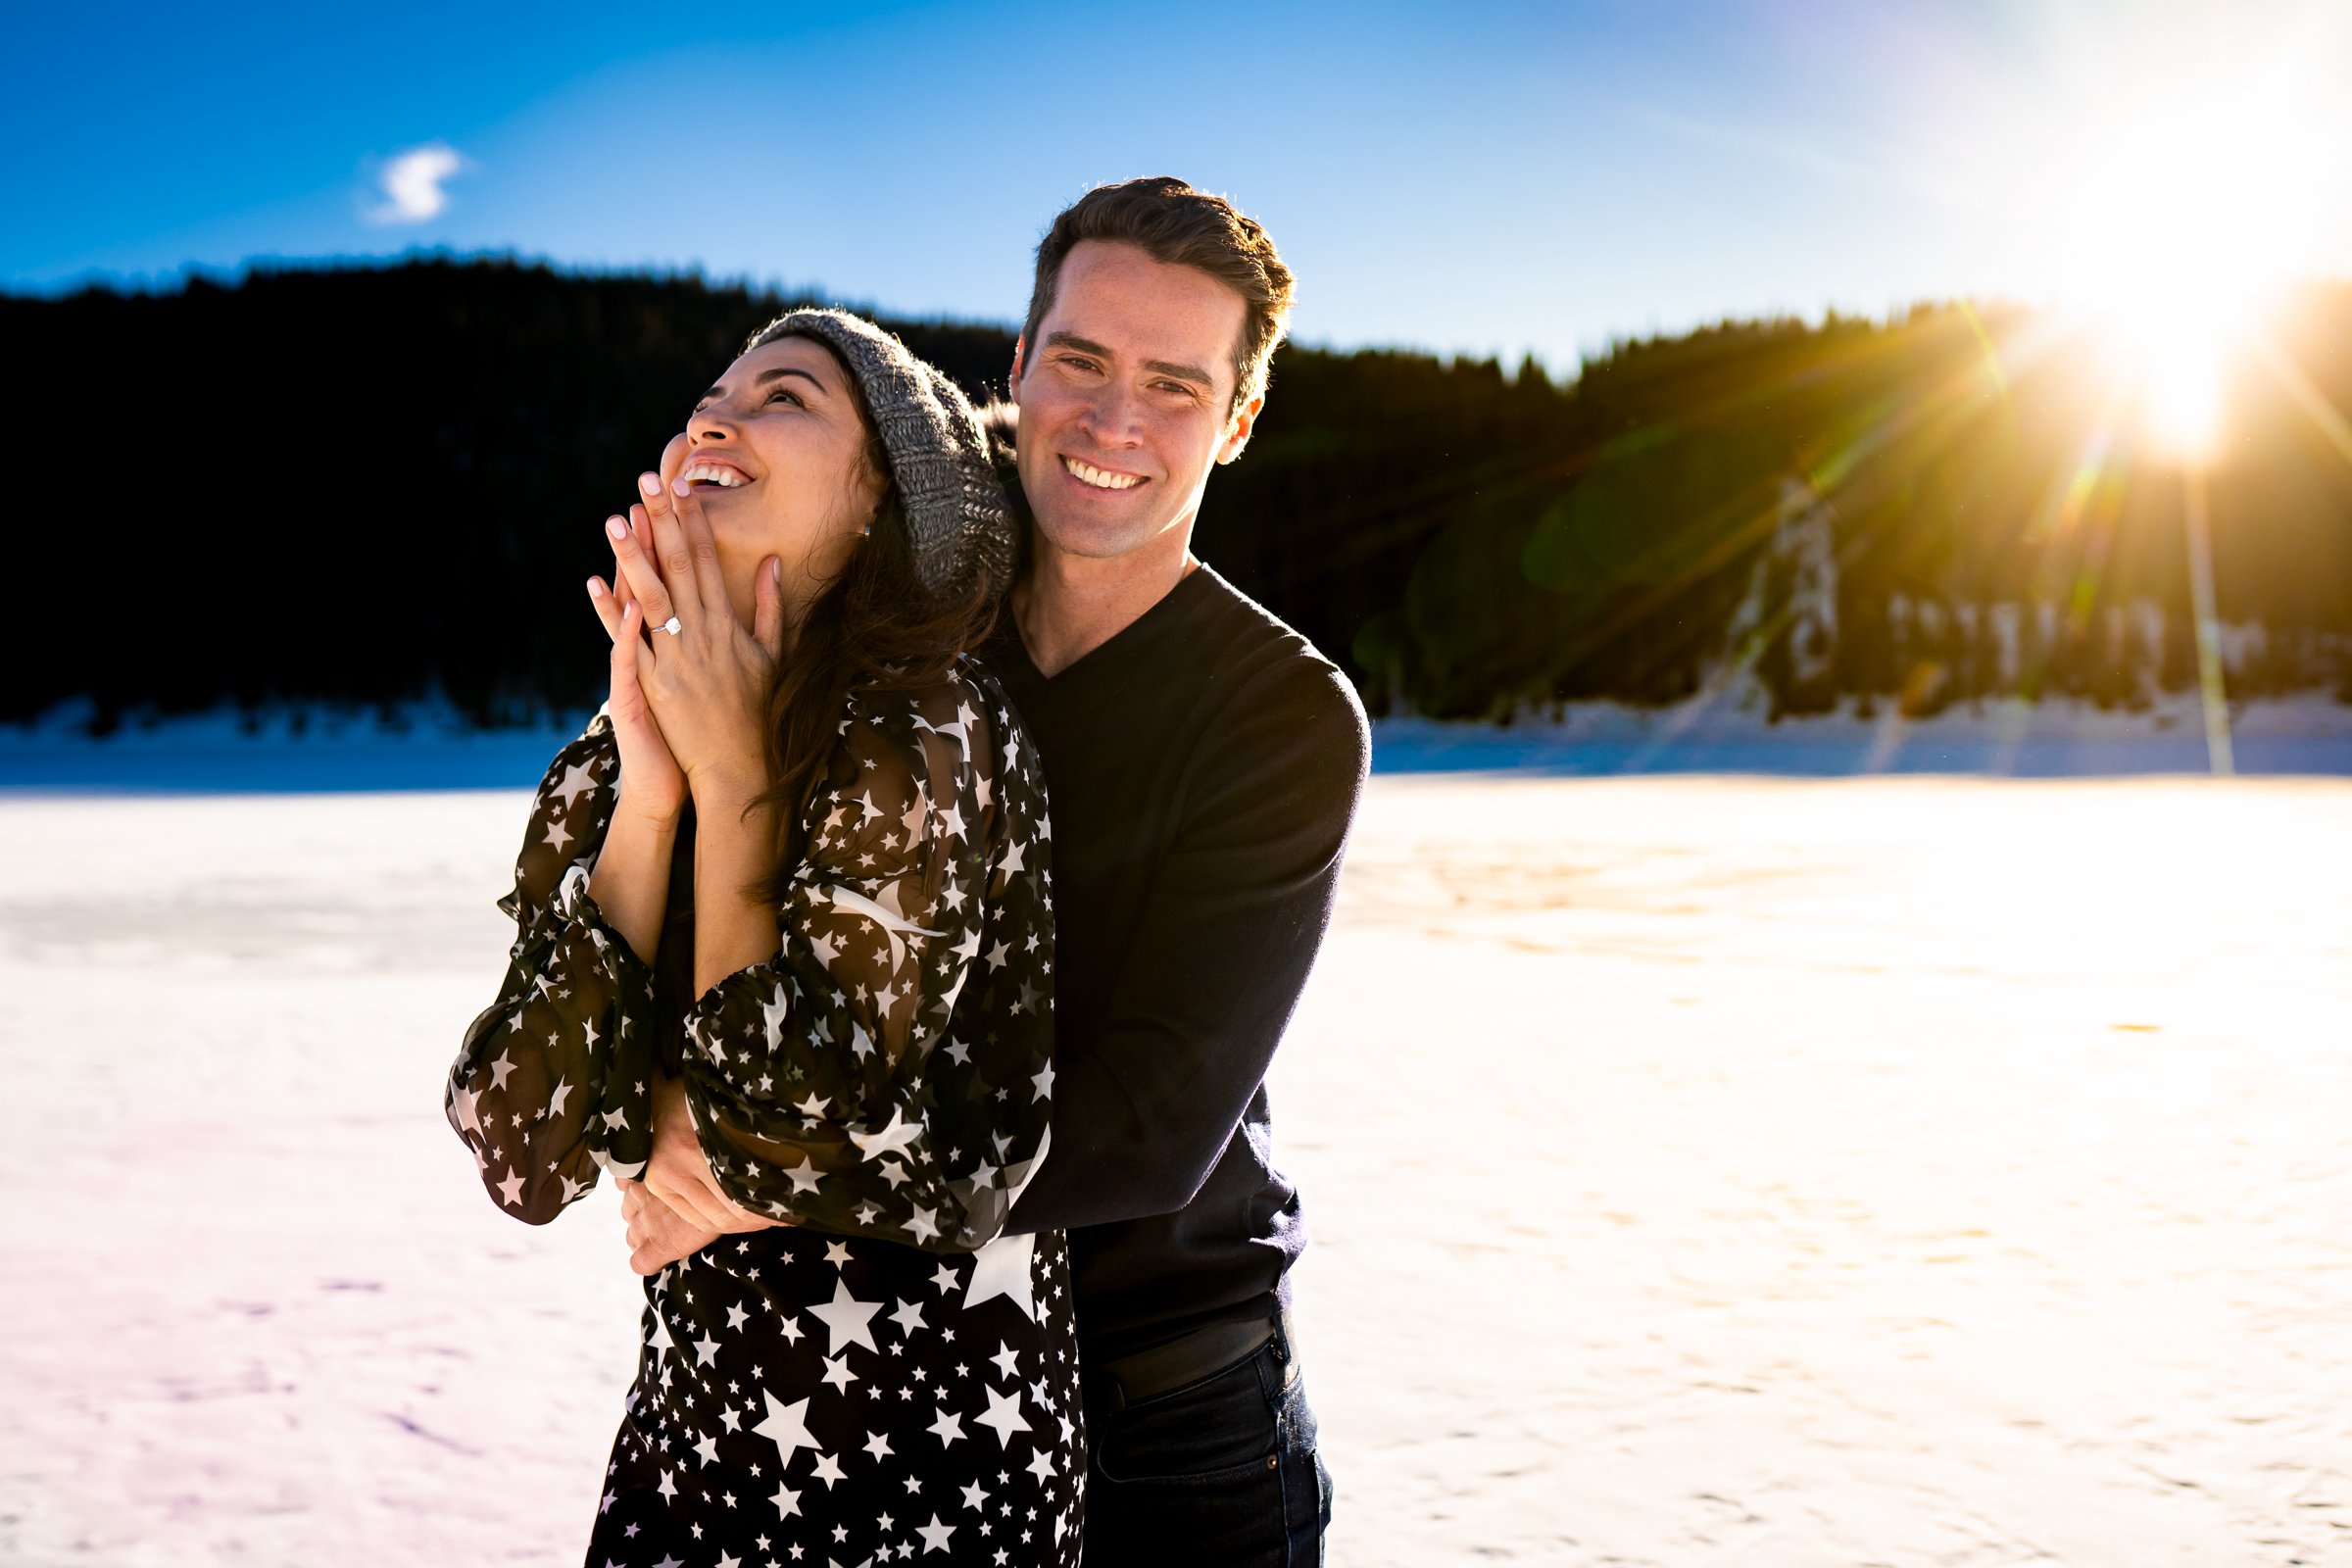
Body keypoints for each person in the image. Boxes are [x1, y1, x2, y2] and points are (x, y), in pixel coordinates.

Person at [442, 309, 1083, 1567]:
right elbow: (520, 1151)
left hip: (927, 1477)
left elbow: (790, 1127)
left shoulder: (927, 728)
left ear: (880, 507)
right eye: (706, 399)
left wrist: (737, 782)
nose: (709, 420)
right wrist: (655, 795)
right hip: (692, 1460)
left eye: (784, 396)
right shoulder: (604, 759)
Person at [995, 177, 1366, 1563]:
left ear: (1239, 421)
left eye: (1173, 385)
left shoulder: (1278, 715)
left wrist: (771, 1172)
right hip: (890, 1396)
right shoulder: (911, 643)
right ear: (1019, 363)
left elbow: (1148, 1132)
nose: (1113, 424)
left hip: (1169, 1424)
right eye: (1081, 362)